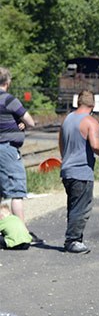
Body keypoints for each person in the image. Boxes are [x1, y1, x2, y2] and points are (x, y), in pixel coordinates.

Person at [59, 90, 99, 254]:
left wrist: (66, 159)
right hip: (81, 171)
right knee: (81, 208)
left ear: (77, 103)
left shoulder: (67, 119)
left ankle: (73, 239)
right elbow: (95, 145)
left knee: (73, 207)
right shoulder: (90, 121)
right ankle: (73, 240)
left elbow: (60, 143)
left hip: (67, 170)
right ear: (93, 105)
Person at [0, 66, 35, 228]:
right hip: (7, 150)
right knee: (16, 192)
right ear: (8, 82)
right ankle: (22, 231)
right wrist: (20, 123)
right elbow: (30, 122)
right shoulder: (8, 99)